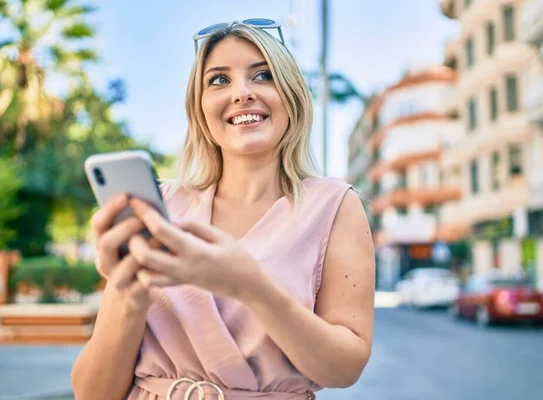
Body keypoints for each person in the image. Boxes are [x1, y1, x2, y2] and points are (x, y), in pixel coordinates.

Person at [71, 20, 375, 400]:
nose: (242, 93)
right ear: (199, 108)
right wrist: (128, 293)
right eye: (218, 80)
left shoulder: (335, 206)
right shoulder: (159, 206)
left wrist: (251, 287)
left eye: (263, 75)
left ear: (293, 94)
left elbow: (346, 369)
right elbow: (91, 394)